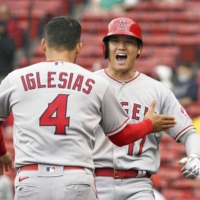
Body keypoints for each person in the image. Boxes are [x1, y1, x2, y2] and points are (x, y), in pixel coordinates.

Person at [0, 16, 176, 200]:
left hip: (31, 178)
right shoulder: (96, 83)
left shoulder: (15, 79)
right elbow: (121, 136)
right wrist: (149, 124)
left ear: (44, 44)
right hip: (75, 178)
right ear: (79, 47)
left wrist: (3, 153)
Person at [93, 17, 200, 200]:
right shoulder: (89, 84)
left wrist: (195, 155)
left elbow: (188, 132)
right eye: (115, 41)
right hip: (95, 181)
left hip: (138, 185)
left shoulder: (157, 90)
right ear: (106, 48)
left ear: (139, 49)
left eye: (129, 42)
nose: (122, 47)